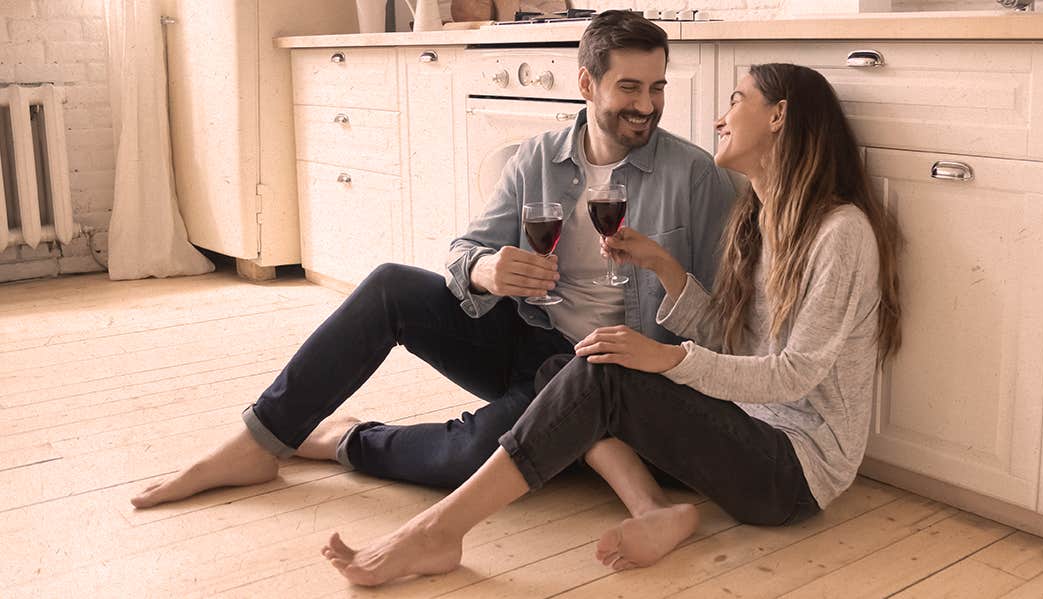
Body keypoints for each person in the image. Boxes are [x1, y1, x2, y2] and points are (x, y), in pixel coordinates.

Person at [316, 62, 904, 587]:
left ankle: (439, 531)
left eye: (736, 99)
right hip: (743, 430)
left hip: (794, 471)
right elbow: (733, 342)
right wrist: (663, 265)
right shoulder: (756, 220)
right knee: (570, 363)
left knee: (604, 375)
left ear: (779, 116)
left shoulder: (840, 232)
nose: (722, 118)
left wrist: (667, 358)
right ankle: (652, 509)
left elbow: (795, 375)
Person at [129, 11, 735, 508]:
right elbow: (464, 252)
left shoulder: (694, 175)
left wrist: (663, 275)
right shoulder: (537, 159)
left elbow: (724, 317)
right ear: (586, 85)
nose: (647, 106)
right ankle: (258, 439)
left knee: (471, 459)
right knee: (391, 286)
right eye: (629, 87)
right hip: (531, 338)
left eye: (656, 87)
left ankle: (345, 439)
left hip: (604, 374)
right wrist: (486, 270)